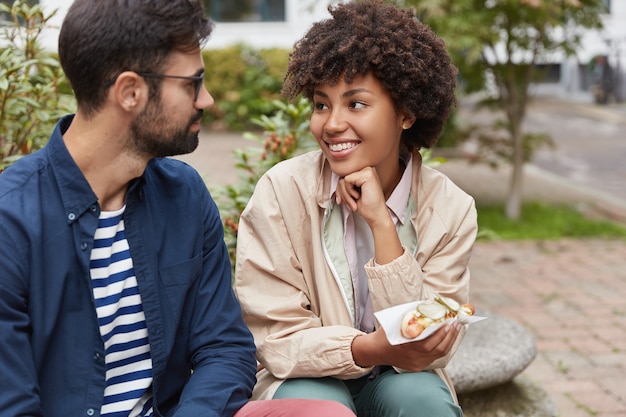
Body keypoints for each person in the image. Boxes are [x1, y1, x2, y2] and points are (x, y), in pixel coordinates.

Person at [0, 1, 356, 416]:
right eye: (193, 83)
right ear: (130, 92)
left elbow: (224, 348)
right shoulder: (11, 223)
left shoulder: (183, 195)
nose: (206, 99)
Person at [233, 1, 478, 416]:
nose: (331, 124)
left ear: (405, 113)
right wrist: (367, 348)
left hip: (400, 382)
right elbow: (276, 339)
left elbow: (425, 347)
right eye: (321, 104)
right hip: (306, 376)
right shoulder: (281, 192)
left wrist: (382, 223)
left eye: (356, 104)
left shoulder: (450, 208)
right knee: (319, 407)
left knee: (423, 404)